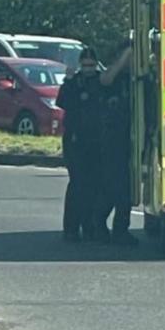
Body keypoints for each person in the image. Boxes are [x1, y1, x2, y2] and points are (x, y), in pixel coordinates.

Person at [56, 46, 105, 242]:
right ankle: (71, 229)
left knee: (94, 185)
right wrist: (67, 81)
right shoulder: (74, 82)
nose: (88, 69)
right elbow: (62, 102)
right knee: (77, 184)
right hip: (75, 140)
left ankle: (90, 226)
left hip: (96, 140)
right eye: (85, 65)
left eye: (91, 65)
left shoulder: (101, 81)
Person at [97, 46, 138, 246]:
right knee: (114, 186)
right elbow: (105, 80)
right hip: (114, 140)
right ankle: (100, 225)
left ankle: (119, 229)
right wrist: (125, 57)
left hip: (134, 140)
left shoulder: (140, 78)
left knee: (126, 188)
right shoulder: (116, 79)